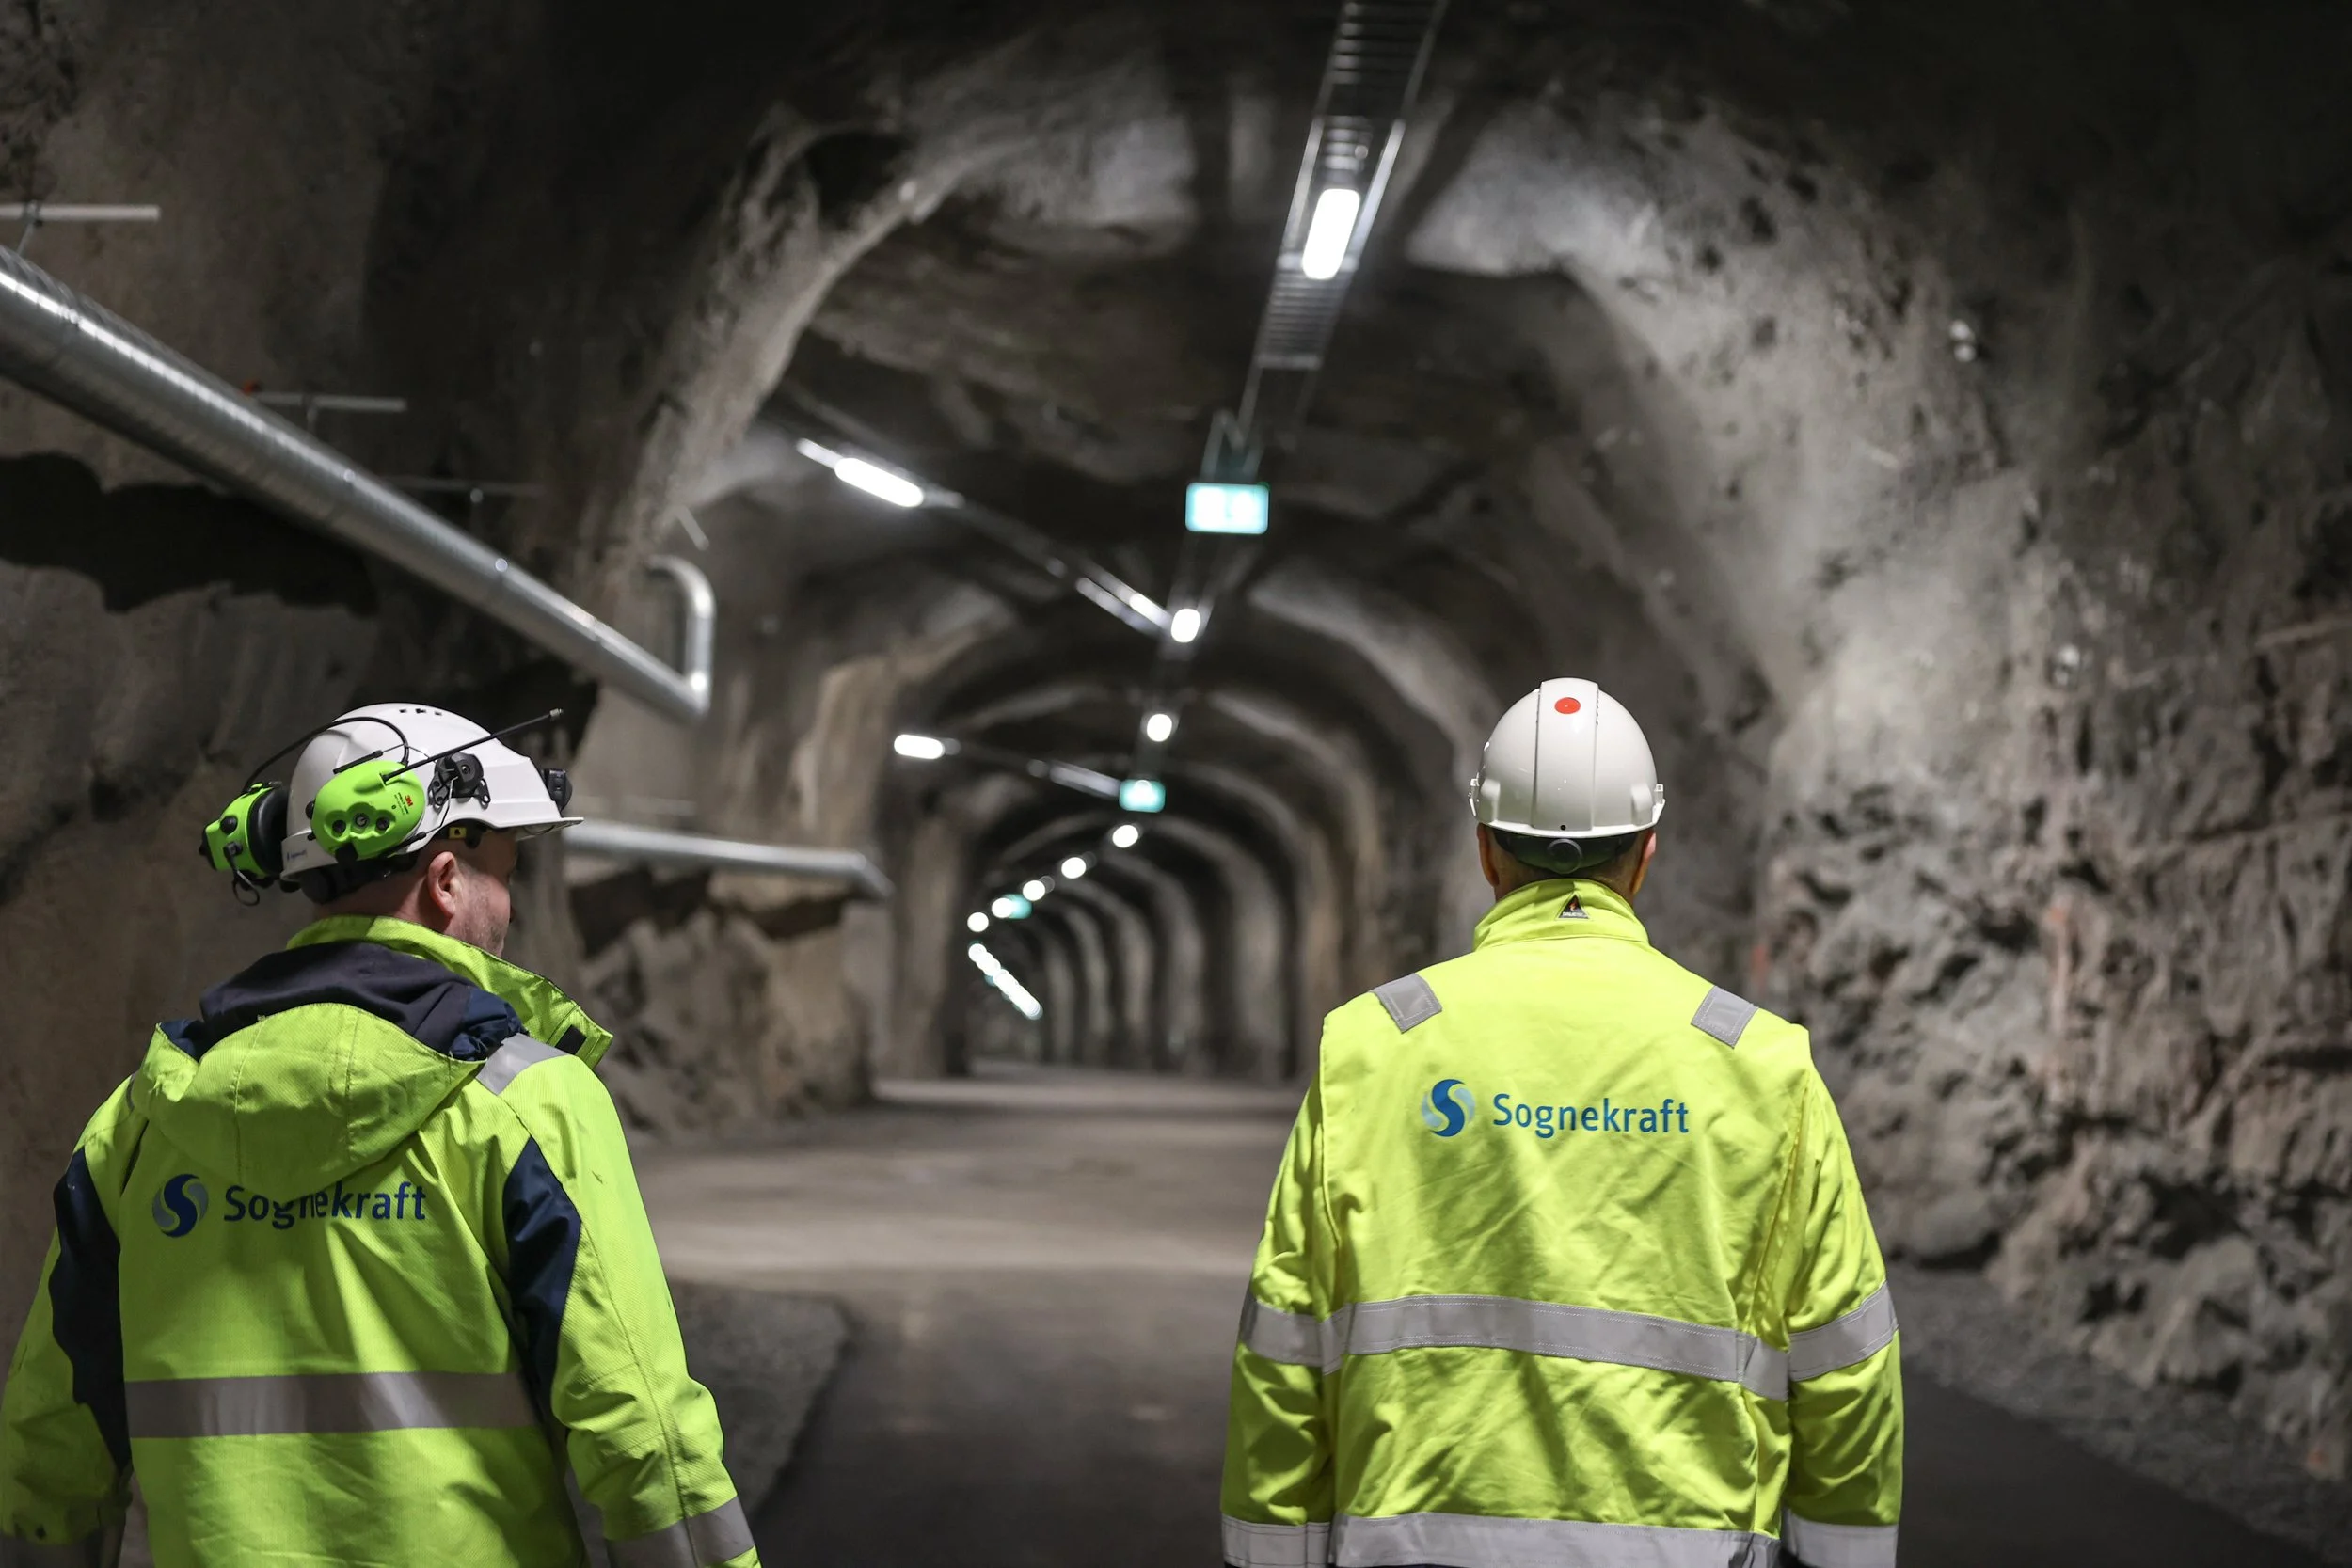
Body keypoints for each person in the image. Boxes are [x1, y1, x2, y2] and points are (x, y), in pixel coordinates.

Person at [0, 704, 757, 1568]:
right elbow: (645, 1430)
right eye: (504, 871)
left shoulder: (144, 1116)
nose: (508, 905)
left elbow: (52, 1429)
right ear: (445, 879)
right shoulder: (523, 1100)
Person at [1220, 679, 1902, 1568]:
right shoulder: (1761, 1064)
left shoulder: (1373, 1047)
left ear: (1486, 853)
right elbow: (1847, 1368)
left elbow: (1285, 1353)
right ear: (1647, 853)